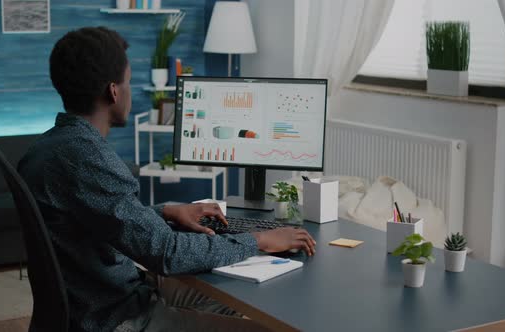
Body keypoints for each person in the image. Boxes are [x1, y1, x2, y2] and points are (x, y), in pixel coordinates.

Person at [18, 26, 316, 332]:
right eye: (129, 82)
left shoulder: (49, 147)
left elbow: (102, 219)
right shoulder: (87, 159)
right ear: (113, 91)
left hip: (99, 301)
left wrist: (166, 211)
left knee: (232, 293)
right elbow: (167, 253)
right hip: (117, 317)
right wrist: (259, 239)